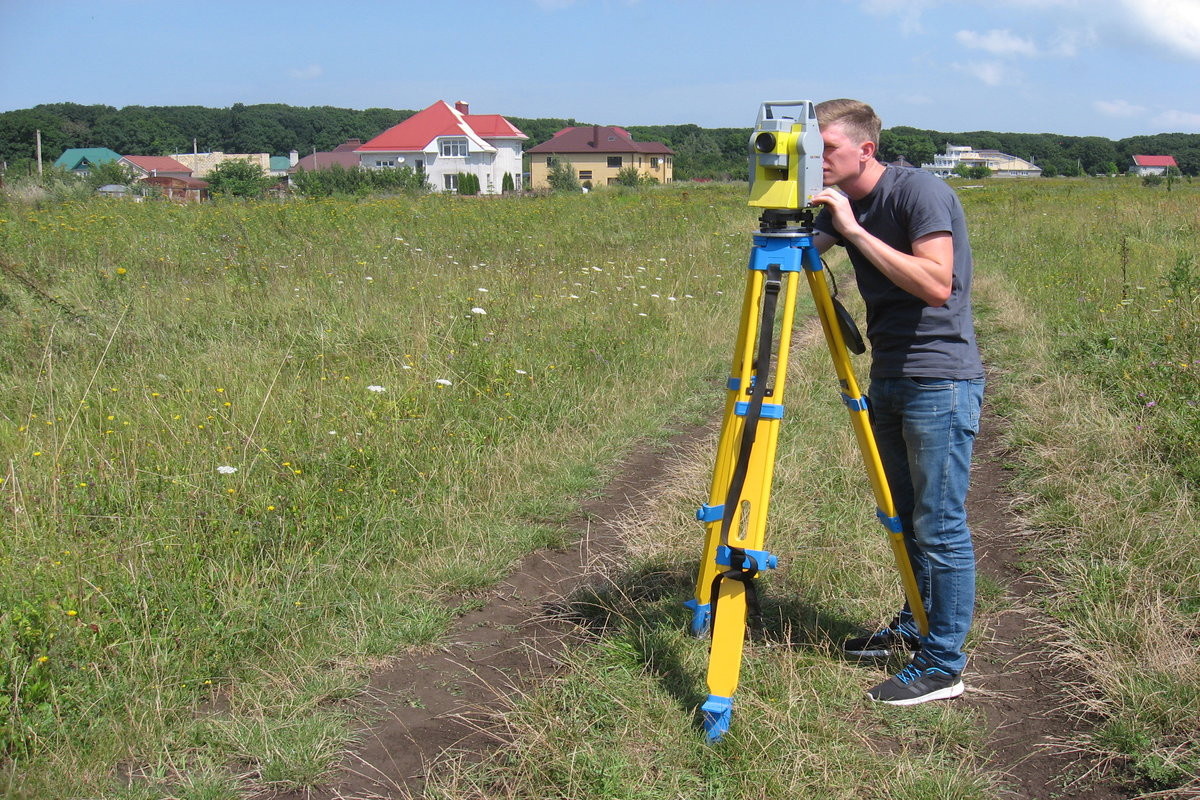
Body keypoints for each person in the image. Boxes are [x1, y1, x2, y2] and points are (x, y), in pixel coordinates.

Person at [808, 99, 985, 706]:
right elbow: (805, 248)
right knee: (904, 518)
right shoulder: (841, 198)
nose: (817, 161)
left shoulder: (919, 194)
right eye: (810, 150)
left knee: (939, 525)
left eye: (826, 150)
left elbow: (938, 285)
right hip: (889, 373)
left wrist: (851, 229)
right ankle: (917, 623)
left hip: (939, 378)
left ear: (865, 150)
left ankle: (943, 663)